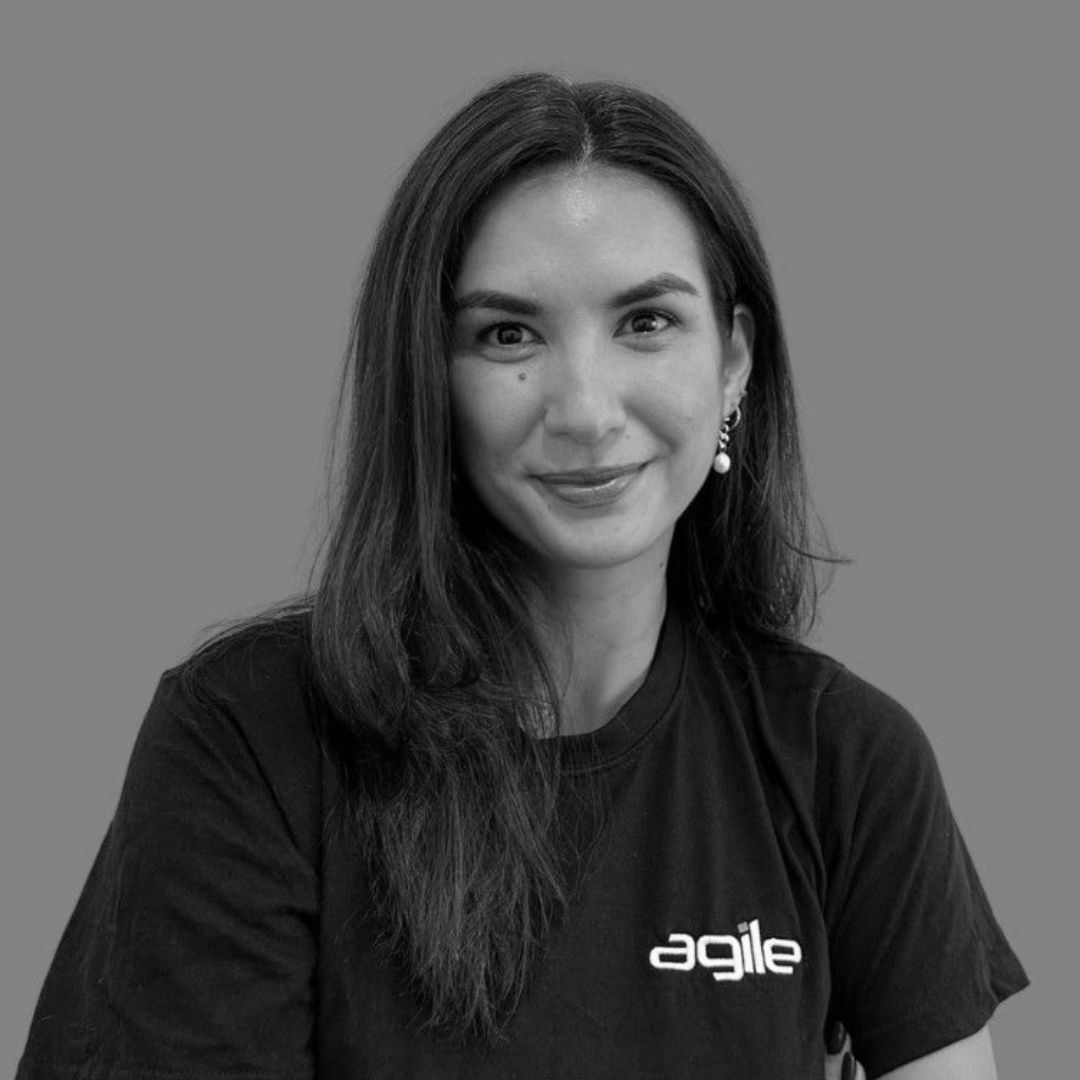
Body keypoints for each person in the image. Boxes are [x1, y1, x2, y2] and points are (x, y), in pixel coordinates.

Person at [17, 72, 1027, 1079]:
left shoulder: (847, 763)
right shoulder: (249, 737)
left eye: (647, 321)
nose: (585, 410)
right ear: (429, 377)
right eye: (508, 334)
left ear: (733, 361)